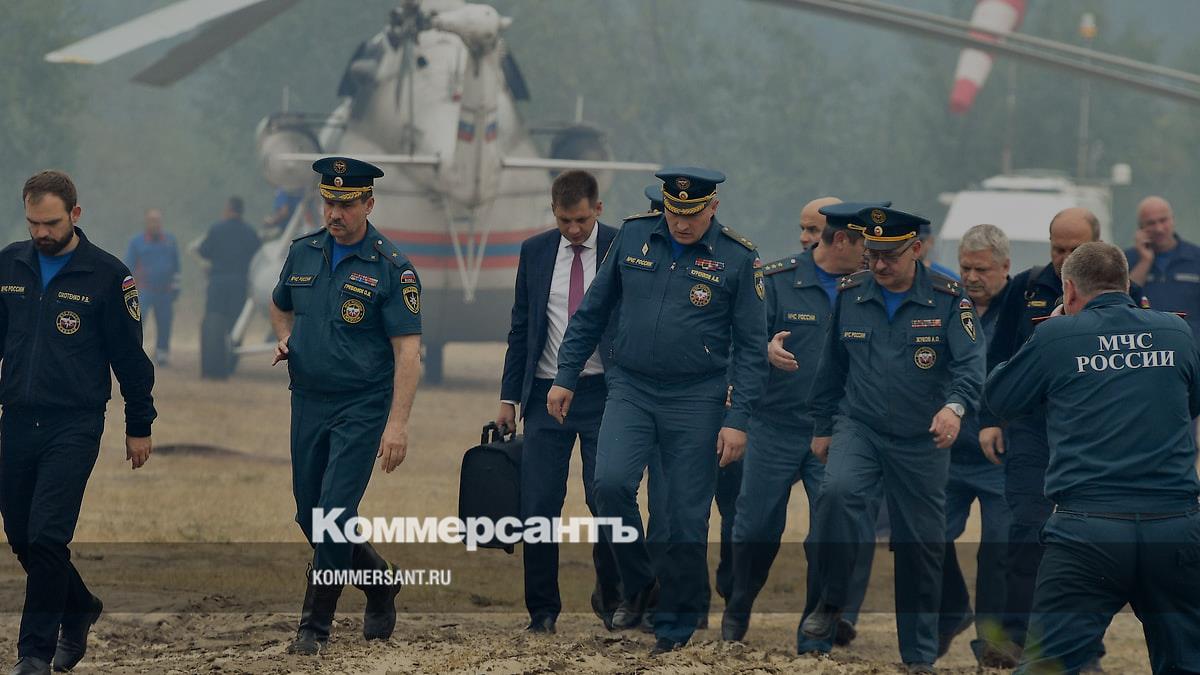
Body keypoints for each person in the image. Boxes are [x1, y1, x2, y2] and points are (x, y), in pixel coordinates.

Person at [547, 167, 768, 655]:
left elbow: (753, 351)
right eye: (673, 212)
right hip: (632, 387)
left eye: (692, 214)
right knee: (609, 484)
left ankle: (674, 627)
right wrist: (565, 375)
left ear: (712, 208)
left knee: (686, 517)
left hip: (698, 396)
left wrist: (737, 420)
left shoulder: (738, 258)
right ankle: (642, 581)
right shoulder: (633, 237)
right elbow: (592, 312)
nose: (681, 223)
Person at [985, 242, 1200, 675]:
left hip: (1089, 530)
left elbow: (1000, 399)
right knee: (1187, 662)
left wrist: (1052, 332)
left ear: (1068, 289)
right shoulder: (1176, 332)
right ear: (1127, 284)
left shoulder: (1056, 335)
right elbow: (1190, 403)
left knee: (1048, 666)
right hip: (1174, 525)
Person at [801, 206, 985, 673]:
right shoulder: (851, 293)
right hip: (860, 426)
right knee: (836, 495)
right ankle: (831, 601)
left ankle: (918, 655)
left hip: (922, 437)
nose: (879, 265)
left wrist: (955, 407)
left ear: (916, 249)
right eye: (873, 254)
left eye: (890, 256)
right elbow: (831, 367)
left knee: (921, 545)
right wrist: (823, 427)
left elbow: (970, 366)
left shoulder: (948, 298)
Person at [0, 170, 156, 675]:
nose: (41, 233)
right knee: (22, 537)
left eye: (51, 223)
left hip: (74, 424)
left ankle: (33, 654)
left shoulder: (108, 276)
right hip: (17, 420)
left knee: (47, 537)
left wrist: (139, 423)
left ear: (75, 214)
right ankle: (81, 605)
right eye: (33, 223)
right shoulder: (9, 264)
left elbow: (130, 359)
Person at [978, 207, 1147, 668]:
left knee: (1091, 541)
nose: (1064, 257)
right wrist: (990, 420)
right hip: (1033, 430)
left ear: (1097, 245)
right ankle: (1015, 637)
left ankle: (1083, 646)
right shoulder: (1025, 287)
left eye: (1075, 249)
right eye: (1057, 247)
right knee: (1027, 530)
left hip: (1094, 437)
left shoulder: (1129, 294)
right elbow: (999, 356)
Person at [269, 157, 422, 655]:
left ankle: (314, 626)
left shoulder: (392, 268)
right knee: (308, 515)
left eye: (347, 204)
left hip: (362, 404)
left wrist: (397, 424)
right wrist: (285, 337)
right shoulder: (304, 252)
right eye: (329, 202)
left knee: (334, 513)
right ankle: (379, 581)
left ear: (369, 204)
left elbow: (408, 353)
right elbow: (280, 303)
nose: (336, 213)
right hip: (307, 399)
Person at [721, 199, 884, 651]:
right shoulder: (776, 280)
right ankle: (738, 603)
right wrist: (765, 350)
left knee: (830, 533)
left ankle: (815, 635)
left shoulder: (871, 287)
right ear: (843, 240)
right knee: (754, 529)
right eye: (866, 245)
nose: (873, 254)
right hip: (774, 424)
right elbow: (742, 342)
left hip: (836, 430)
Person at [496, 170, 620, 633]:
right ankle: (542, 611)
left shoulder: (621, 247)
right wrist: (509, 398)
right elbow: (521, 327)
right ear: (553, 212)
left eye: (582, 220)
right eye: (565, 220)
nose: (574, 229)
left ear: (598, 209)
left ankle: (613, 599)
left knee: (606, 496)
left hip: (604, 393)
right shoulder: (535, 251)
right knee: (539, 504)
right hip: (545, 395)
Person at [936, 224, 1013, 663]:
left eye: (981, 269)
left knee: (999, 549)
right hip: (948, 448)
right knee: (928, 537)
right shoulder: (948, 304)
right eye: (965, 267)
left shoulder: (1022, 309)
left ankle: (993, 641)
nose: (971, 277)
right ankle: (951, 611)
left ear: (1005, 267)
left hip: (1000, 456)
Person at [192, 196, 262, 352]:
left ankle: (214, 353)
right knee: (236, 321)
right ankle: (233, 354)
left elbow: (203, 251)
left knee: (214, 318)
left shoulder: (216, 229)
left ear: (229, 209)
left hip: (218, 282)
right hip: (239, 283)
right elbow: (257, 255)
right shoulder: (249, 231)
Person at [1126, 196, 1200, 338]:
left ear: (1173, 220)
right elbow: (1123, 299)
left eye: (1163, 220)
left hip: (1190, 343)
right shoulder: (1126, 261)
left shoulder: (1196, 258)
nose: (1159, 228)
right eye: (1151, 223)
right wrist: (1145, 261)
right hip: (1147, 344)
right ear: (1141, 228)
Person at [124, 208, 180, 365]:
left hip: (165, 291)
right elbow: (128, 267)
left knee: (165, 322)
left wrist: (176, 288)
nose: (155, 224)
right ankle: (133, 351)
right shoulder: (136, 242)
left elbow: (176, 266)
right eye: (152, 221)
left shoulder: (170, 241)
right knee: (137, 321)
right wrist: (128, 291)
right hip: (143, 291)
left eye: (157, 221)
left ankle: (162, 353)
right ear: (146, 223)